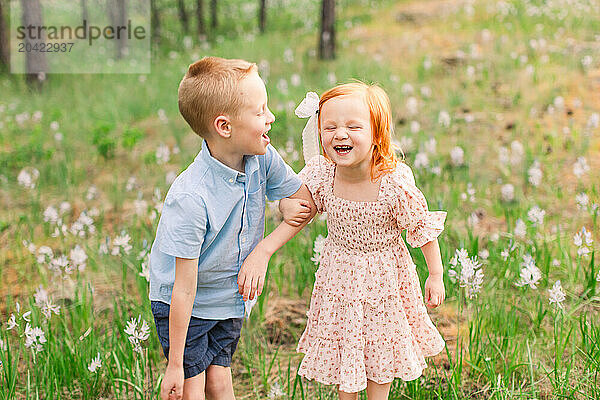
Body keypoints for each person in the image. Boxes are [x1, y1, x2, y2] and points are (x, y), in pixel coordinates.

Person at [240, 81, 447, 399]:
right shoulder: (324, 175)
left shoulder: (393, 184)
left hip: (383, 281)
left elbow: (421, 228)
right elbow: (299, 212)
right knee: (346, 345)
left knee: (379, 349)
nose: (340, 134)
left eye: (353, 126)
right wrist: (265, 249)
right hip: (340, 278)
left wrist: (435, 274)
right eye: (330, 126)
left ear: (377, 133)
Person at [148, 56, 313, 400]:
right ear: (224, 127)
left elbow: (304, 202)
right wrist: (174, 364)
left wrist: (264, 249)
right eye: (260, 111)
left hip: (227, 297)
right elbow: (183, 288)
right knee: (191, 387)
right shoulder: (191, 196)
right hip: (185, 304)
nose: (271, 118)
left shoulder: (263, 158)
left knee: (220, 381)